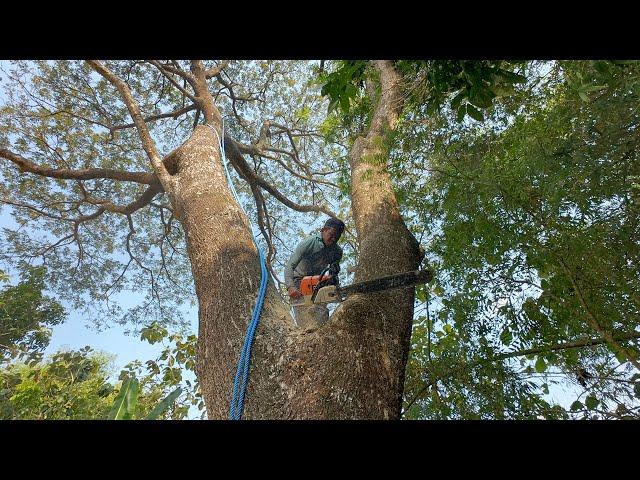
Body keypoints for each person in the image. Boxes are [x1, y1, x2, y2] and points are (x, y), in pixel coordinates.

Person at [284, 218, 344, 329]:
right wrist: (290, 287)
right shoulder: (309, 243)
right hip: (300, 282)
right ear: (324, 230)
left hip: (318, 283)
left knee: (321, 318)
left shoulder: (337, 251)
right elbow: (289, 266)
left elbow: (333, 270)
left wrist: (333, 277)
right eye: (332, 234)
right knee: (304, 321)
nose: (334, 239)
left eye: (337, 236)